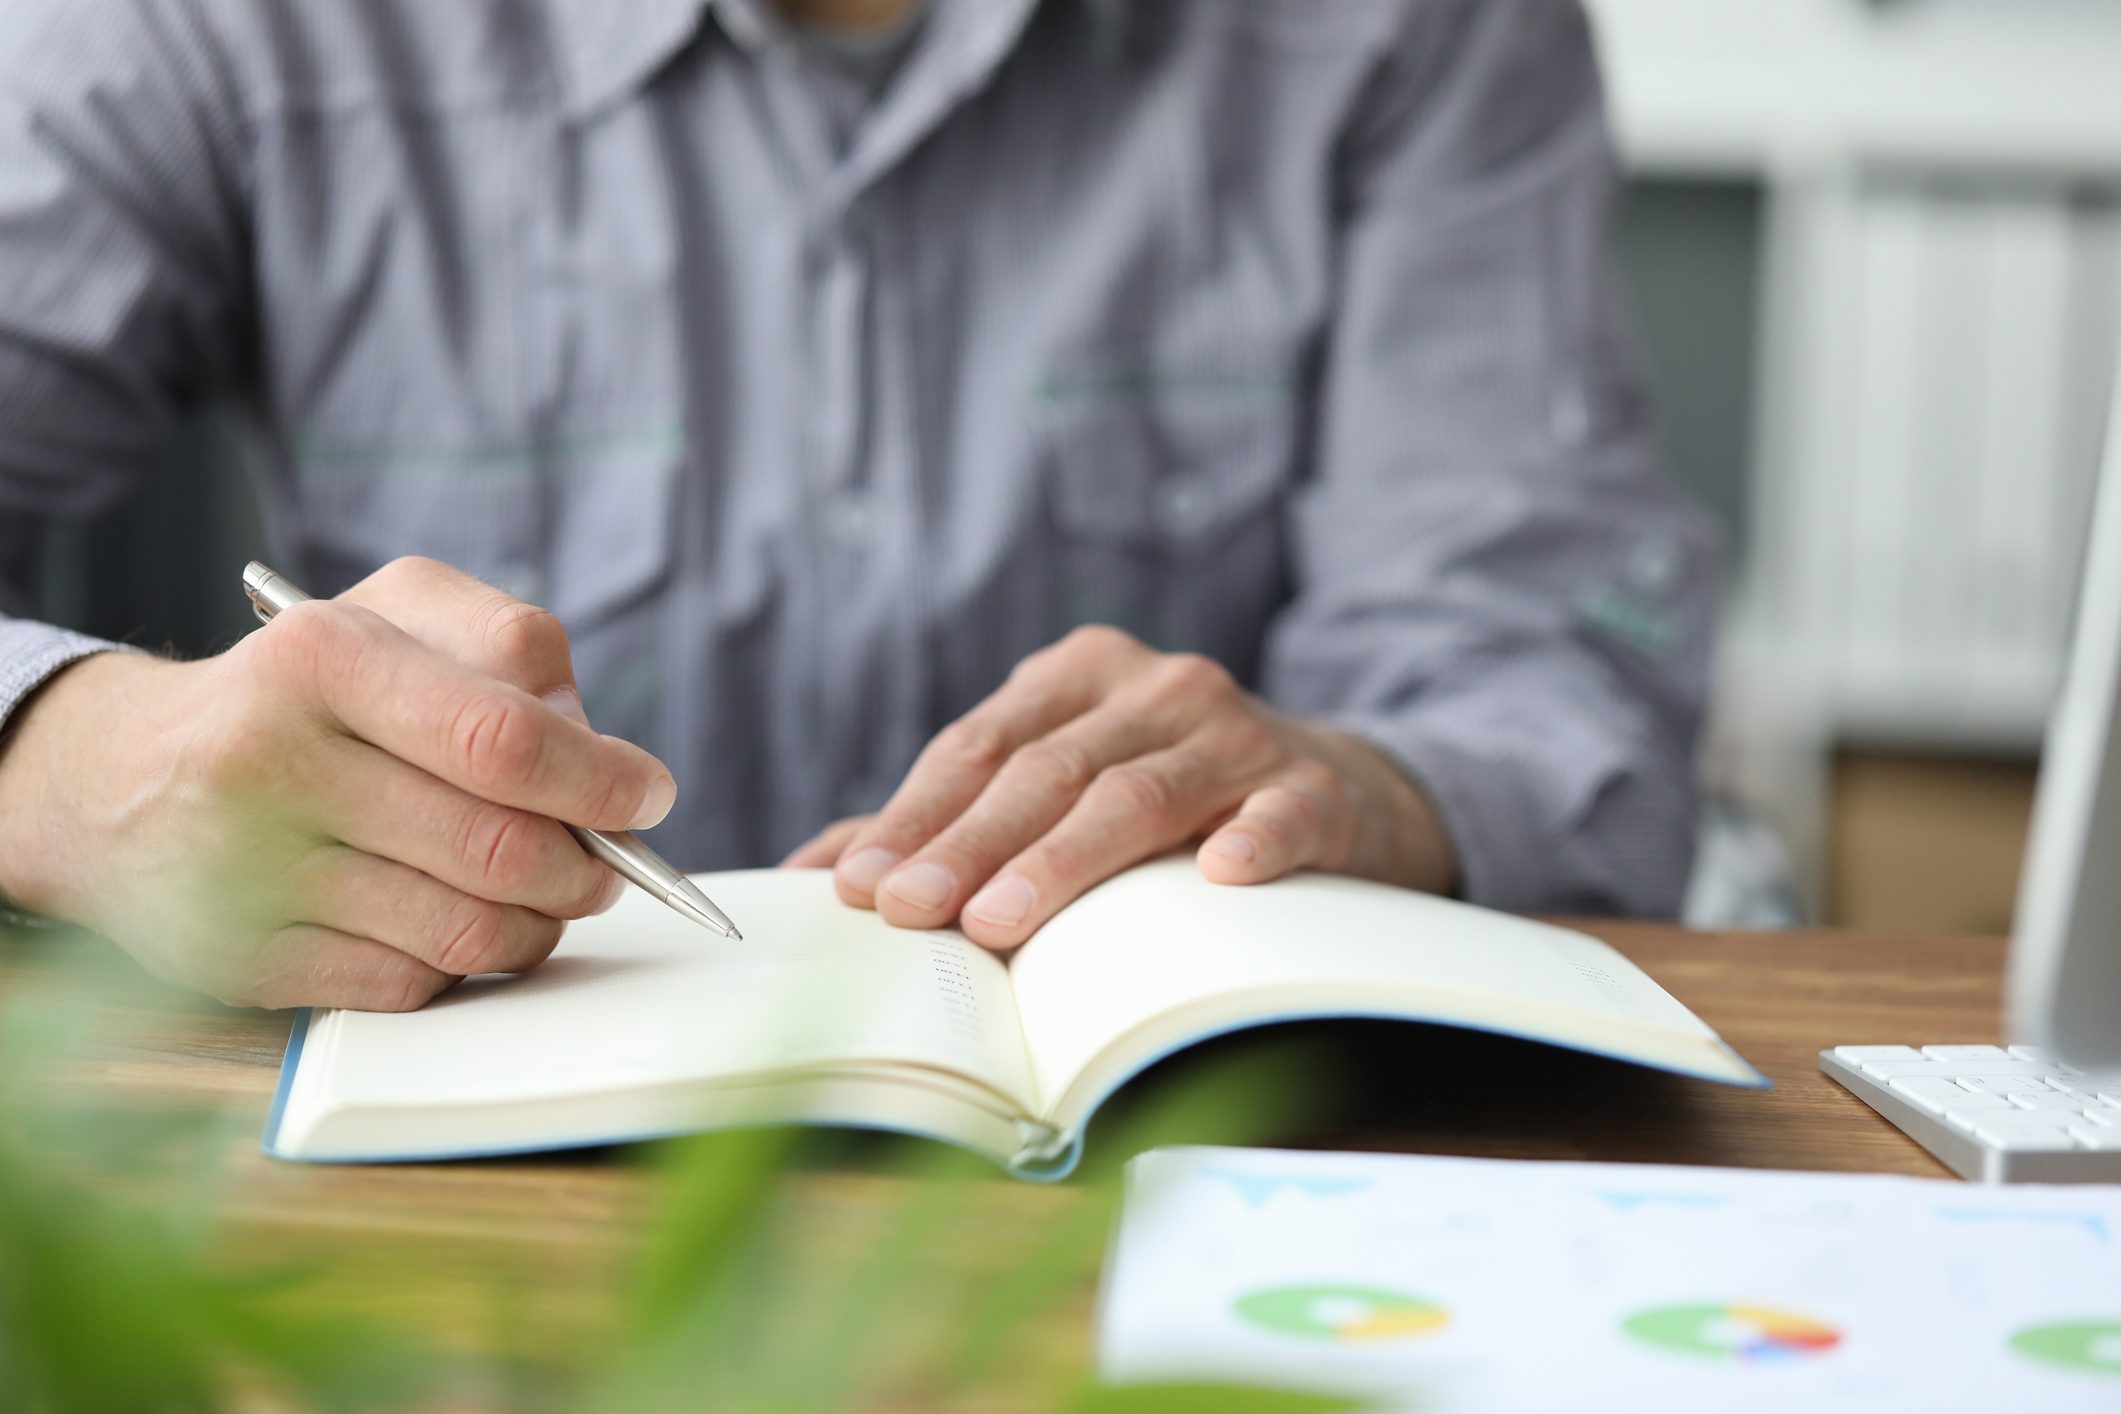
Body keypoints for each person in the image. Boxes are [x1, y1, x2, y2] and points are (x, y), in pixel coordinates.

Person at [0, 0, 1716, 1012]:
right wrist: (74, 762)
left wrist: (1364, 784)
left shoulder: (1417, 31)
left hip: (1200, 1184)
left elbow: (1546, 672)